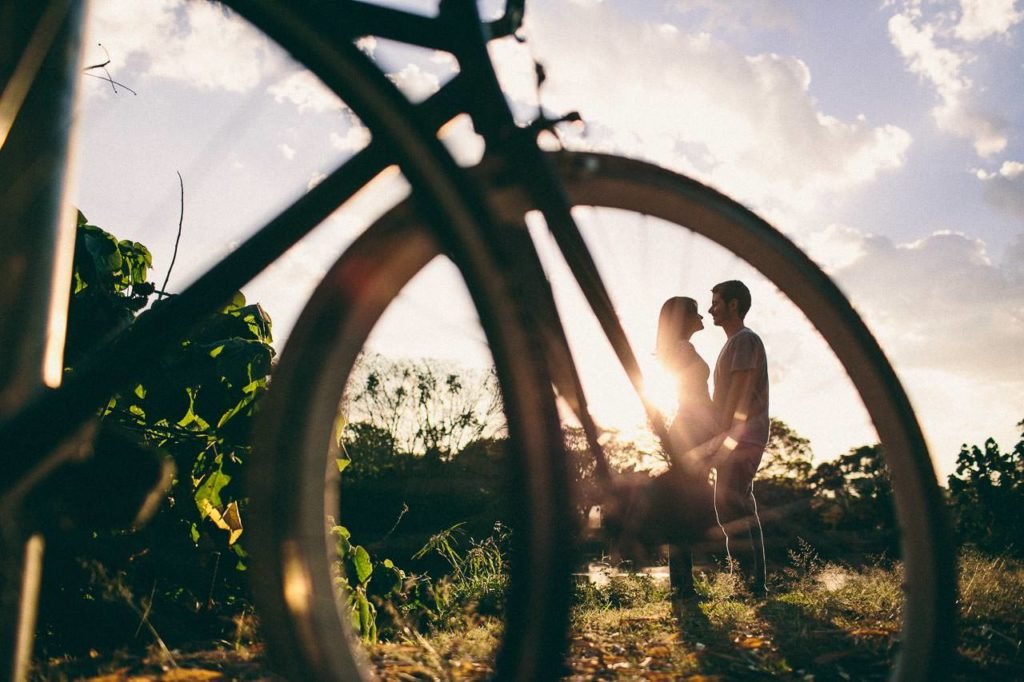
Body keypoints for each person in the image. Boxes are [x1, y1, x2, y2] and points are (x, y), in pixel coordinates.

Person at [707, 279, 769, 595]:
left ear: (733, 305)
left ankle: (748, 584)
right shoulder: (734, 343)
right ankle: (753, 583)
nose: (710, 309)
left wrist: (726, 433)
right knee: (739, 506)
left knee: (731, 505)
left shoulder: (745, 340)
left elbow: (740, 389)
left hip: (741, 436)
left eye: (716, 303)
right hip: (738, 435)